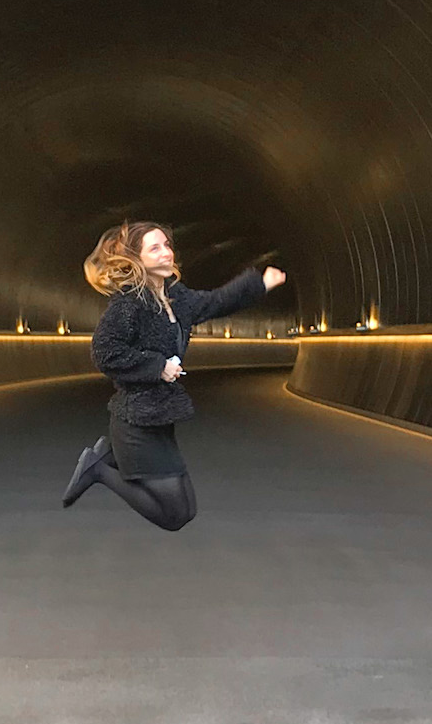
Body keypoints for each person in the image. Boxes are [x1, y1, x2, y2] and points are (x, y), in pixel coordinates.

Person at [62, 220, 286, 530]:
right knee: (175, 516)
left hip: (158, 419)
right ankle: (98, 469)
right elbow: (104, 353)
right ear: (136, 259)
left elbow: (215, 302)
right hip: (135, 423)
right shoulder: (129, 305)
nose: (167, 253)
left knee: (188, 511)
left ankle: (107, 458)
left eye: (167, 245)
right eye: (155, 248)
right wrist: (157, 367)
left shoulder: (176, 297)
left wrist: (260, 284)